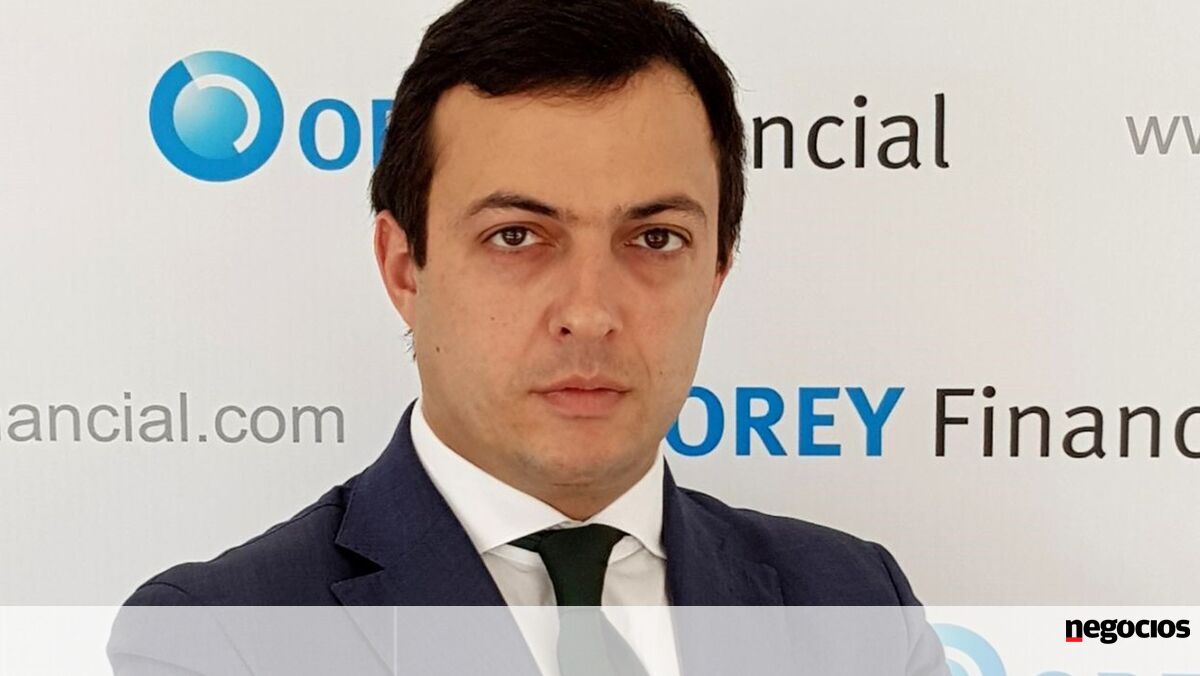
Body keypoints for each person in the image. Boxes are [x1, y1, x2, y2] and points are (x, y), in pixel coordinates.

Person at [110, 0, 947, 674]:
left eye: (655, 238)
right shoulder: (221, 639)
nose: (589, 311)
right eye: (516, 236)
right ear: (404, 269)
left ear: (717, 271)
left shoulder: (857, 605)